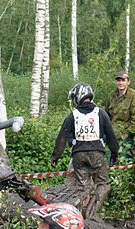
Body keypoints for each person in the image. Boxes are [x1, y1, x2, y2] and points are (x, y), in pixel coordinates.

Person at [51, 83, 120, 219]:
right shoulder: (100, 113)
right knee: (103, 184)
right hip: (97, 154)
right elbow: (111, 136)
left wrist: (55, 156)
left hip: (78, 155)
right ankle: (92, 213)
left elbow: (62, 138)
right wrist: (115, 153)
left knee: (83, 187)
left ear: (77, 97)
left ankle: (82, 215)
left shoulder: (73, 115)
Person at [103, 71, 135, 151]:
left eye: (123, 80)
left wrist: (126, 134)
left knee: (123, 158)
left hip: (127, 136)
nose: (120, 83)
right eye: (118, 80)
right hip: (112, 134)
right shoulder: (111, 95)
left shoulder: (134, 96)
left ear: (128, 82)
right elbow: (107, 114)